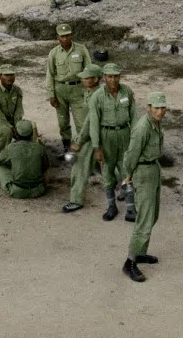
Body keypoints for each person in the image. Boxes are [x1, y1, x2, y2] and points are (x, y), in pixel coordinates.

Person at [121, 91, 168, 283]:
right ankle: (130, 262)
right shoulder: (143, 127)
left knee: (153, 214)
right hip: (142, 172)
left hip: (153, 170)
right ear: (148, 108)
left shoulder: (156, 123)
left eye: (163, 107)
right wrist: (128, 176)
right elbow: (131, 154)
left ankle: (140, 253)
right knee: (145, 219)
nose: (160, 111)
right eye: (156, 107)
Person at [87, 63, 137, 223]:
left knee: (127, 171)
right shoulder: (97, 97)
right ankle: (111, 207)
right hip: (106, 135)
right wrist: (96, 147)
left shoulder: (127, 92)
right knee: (107, 172)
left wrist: (135, 140)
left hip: (124, 134)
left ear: (120, 77)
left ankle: (130, 208)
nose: (113, 79)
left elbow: (134, 117)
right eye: (109, 76)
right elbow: (94, 123)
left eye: (116, 76)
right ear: (104, 78)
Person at [62, 64, 104, 213]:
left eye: (87, 78)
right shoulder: (91, 92)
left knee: (79, 168)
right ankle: (128, 190)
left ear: (96, 79)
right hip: (96, 133)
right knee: (113, 166)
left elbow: (90, 122)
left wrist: (79, 141)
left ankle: (76, 200)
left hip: (94, 136)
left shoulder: (96, 96)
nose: (83, 80)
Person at [45, 23, 92, 155]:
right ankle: (66, 148)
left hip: (78, 89)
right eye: (62, 36)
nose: (65, 38)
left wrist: (90, 88)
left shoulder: (81, 49)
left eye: (67, 35)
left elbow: (89, 69)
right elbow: (50, 74)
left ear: (71, 35)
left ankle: (83, 149)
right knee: (63, 122)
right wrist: (51, 94)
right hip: (60, 90)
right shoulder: (53, 53)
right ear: (58, 38)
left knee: (81, 121)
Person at [0, 120, 49, 198]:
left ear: (16, 134)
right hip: (38, 190)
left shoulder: (11, 147)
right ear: (32, 133)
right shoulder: (40, 148)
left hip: (18, 191)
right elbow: (46, 166)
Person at [0, 64, 24, 152]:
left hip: (13, 123)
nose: (9, 78)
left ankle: (23, 158)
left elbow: (19, 112)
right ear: (0, 76)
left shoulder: (18, 90)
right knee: (6, 132)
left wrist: (18, 127)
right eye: (6, 75)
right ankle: (0, 159)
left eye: (11, 75)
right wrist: (12, 128)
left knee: (28, 128)